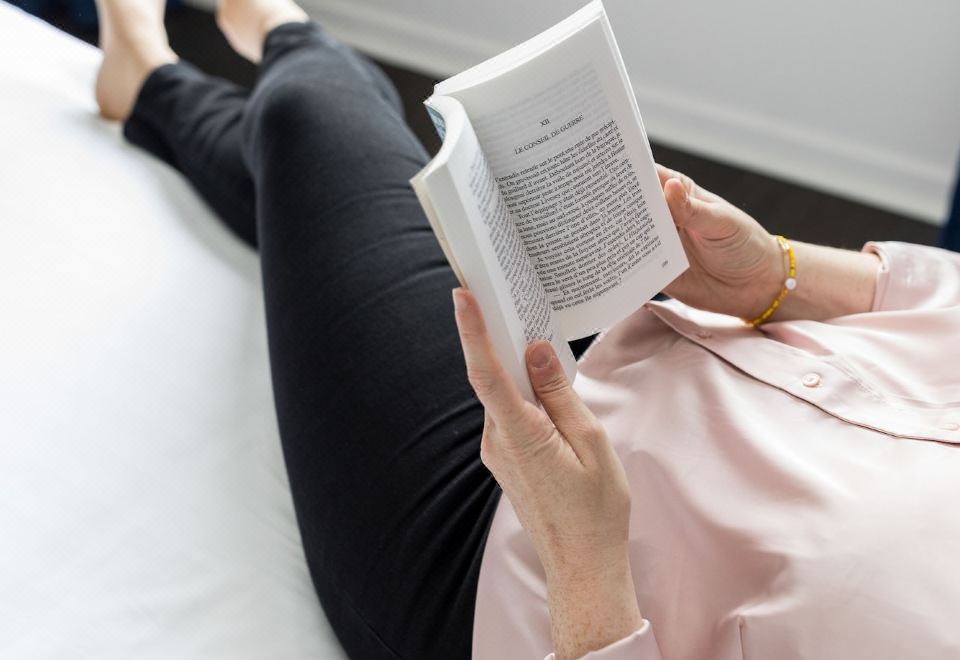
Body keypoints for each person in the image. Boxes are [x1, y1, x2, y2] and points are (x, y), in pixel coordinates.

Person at [93, 0, 960, 658]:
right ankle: (152, 87)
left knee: (315, 109)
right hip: (666, 341)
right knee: (349, 199)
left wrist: (583, 564)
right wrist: (775, 274)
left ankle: (249, 42)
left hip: (512, 558)